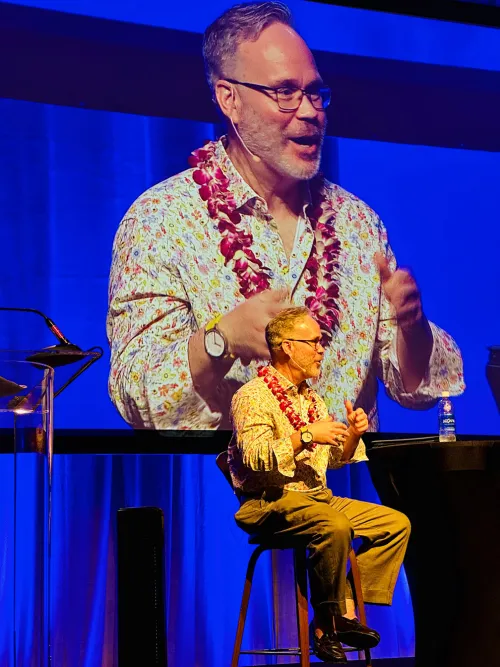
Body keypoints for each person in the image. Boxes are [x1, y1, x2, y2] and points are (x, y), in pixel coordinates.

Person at [107, 1, 464, 430]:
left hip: (346, 485)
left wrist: (412, 327)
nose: (311, 110)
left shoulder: (357, 224)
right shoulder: (160, 220)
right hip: (229, 487)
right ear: (229, 99)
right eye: (285, 92)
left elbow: (415, 388)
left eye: (315, 92)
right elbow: (138, 394)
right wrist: (224, 340)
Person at [229, 306, 410, 662]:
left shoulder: (311, 398)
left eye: (321, 341)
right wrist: (308, 433)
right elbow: (256, 457)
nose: (321, 348)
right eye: (313, 341)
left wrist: (352, 435)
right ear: (285, 347)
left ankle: (340, 609)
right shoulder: (252, 397)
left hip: (318, 498)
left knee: (395, 525)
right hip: (272, 501)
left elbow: (333, 460)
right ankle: (329, 622)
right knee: (335, 525)